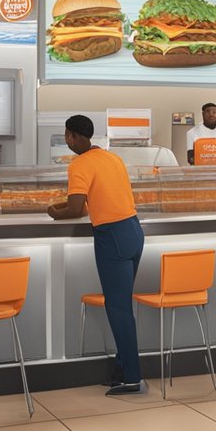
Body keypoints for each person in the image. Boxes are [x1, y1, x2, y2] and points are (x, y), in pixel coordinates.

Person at [47, 115, 146, 395]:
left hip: (111, 237)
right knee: (122, 307)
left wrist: (52, 212)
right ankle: (123, 370)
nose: (66, 141)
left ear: (75, 136)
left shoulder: (79, 163)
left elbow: (76, 208)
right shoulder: (111, 158)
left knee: (118, 309)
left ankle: (132, 380)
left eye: (67, 136)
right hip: (134, 232)